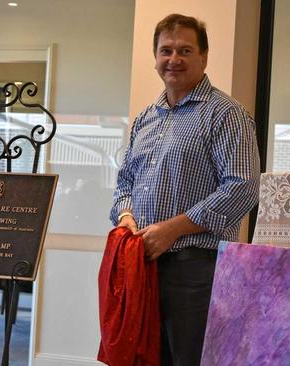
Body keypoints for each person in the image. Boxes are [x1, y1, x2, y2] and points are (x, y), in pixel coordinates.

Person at [110, 13, 260, 365]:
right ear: (155, 57)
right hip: (142, 267)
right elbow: (124, 182)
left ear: (204, 57)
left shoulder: (226, 114)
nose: (173, 60)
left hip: (196, 273)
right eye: (166, 51)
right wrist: (127, 215)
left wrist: (172, 229)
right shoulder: (146, 117)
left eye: (185, 50)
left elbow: (243, 187)